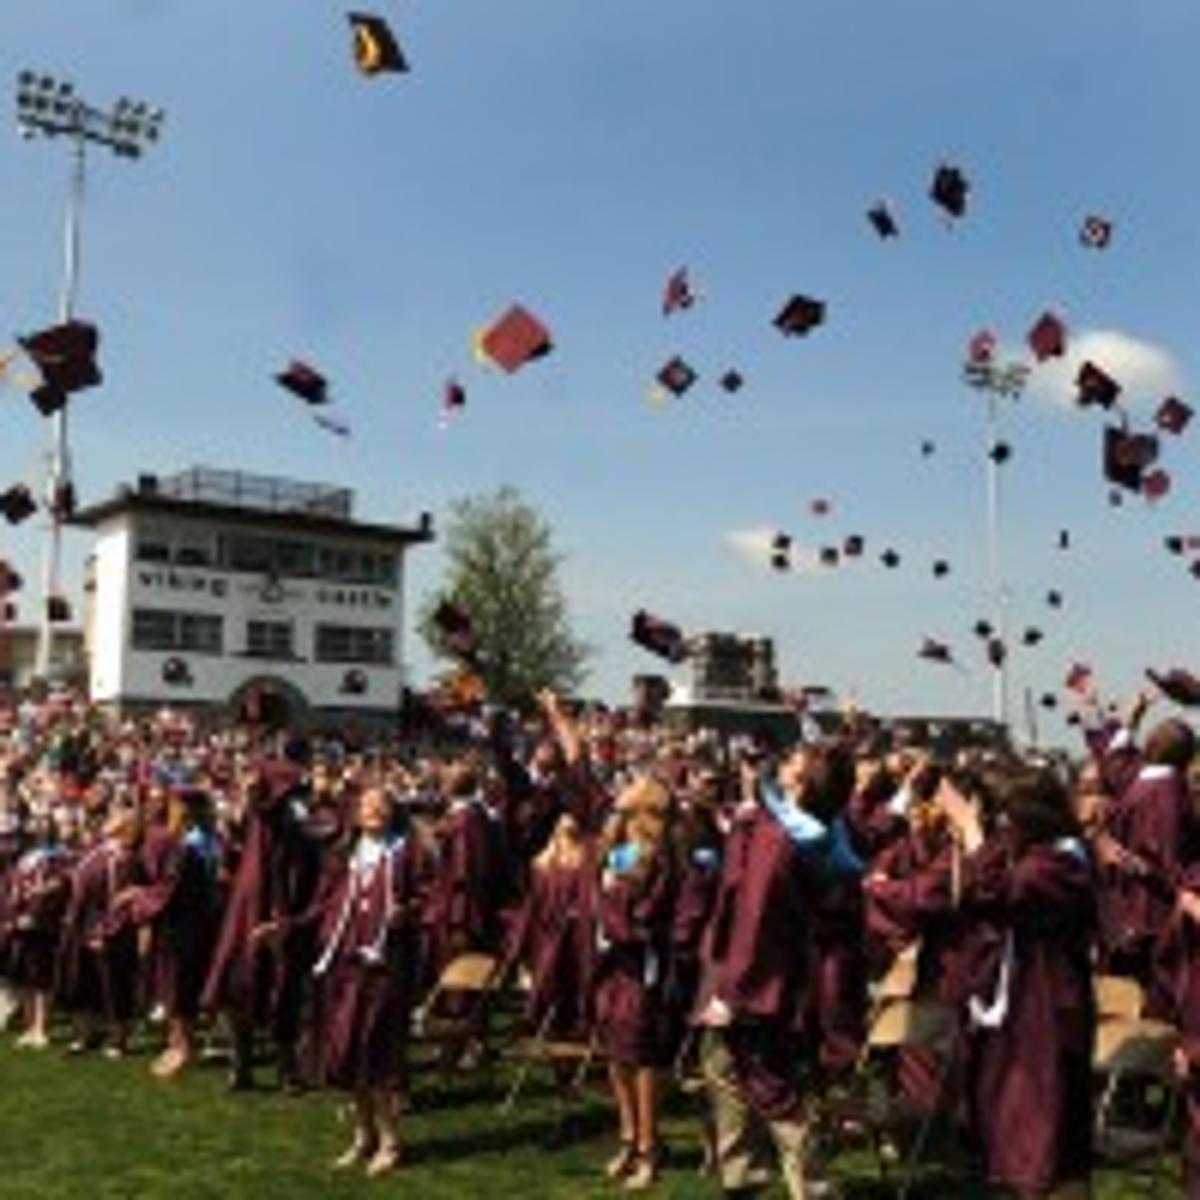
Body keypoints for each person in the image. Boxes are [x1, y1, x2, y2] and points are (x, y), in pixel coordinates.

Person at [258, 782, 420, 1177]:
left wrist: (410, 912)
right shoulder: (342, 855)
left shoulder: (406, 854)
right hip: (343, 968)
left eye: (382, 803)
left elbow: (431, 897)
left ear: (393, 812)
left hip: (383, 969)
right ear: (355, 813)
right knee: (347, 1054)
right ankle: (363, 1136)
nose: (374, 809)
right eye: (367, 804)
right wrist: (286, 927)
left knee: (375, 1054)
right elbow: (321, 907)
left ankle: (391, 1141)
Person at [593, 775, 678, 1190]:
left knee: (640, 1055)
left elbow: (645, 915)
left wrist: (610, 899)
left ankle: (649, 1146)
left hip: (640, 967)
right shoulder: (615, 846)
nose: (623, 786)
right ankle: (628, 1135)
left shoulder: (659, 855)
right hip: (611, 965)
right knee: (615, 1053)